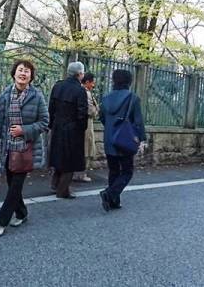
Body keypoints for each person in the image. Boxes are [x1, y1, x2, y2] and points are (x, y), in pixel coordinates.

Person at [0, 60, 49, 238]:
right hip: (8, 148)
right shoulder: (5, 95)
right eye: (20, 70)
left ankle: (1, 222)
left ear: (31, 76)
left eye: (27, 71)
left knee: (15, 186)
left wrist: (24, 130)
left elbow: (45, 122)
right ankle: (21, 213)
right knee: (12, 185)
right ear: (14, 73)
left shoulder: (37, 96)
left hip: (26, 148)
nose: (23, 73)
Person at [98, 69, 145, 211]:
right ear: (129, 81)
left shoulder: (105, 98)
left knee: (113, 171)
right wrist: (141, 139)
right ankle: (109, 194)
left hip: (109, 139)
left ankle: (114, 201)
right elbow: (138, 122)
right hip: (125, 139)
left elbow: (102, 118)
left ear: (114, 80)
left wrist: (111, 128)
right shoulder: (133, 98)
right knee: (127, 171)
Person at [48, 61, 88, 199]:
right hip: (72, 129)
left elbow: (51, 108)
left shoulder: (57, 86)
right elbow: (82, 113)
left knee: (58, 156)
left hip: (57, 126)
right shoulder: (80, 90)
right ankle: (63, 190)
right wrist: (82, 128)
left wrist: (51, 124)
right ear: (80, 74)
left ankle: (55, 184)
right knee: (70, 160)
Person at [73, 73, 98, 183]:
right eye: (92, 82)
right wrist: (97, 110)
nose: (93, 85)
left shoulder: (77, 90)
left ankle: (77, 173)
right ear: (87, 82)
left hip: (80, 123)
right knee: (87, 147)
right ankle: (81, 174)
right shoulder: (86, 93)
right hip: (87, 123)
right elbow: (91, 110)